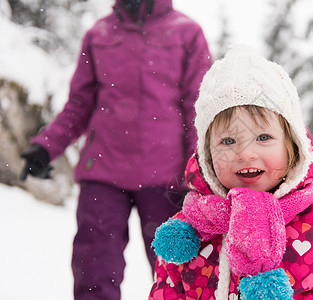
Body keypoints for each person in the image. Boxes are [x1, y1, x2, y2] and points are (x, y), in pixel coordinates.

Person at [149, 45, 313, 299]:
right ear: (207, 157)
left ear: (293, 147)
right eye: (228, 141)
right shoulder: (188, 235)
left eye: (263, 137)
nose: (245, 154)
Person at [19, 0, 211, 299]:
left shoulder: (187, 33)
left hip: (167, 178)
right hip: (104, 172)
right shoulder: (99, 34)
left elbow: (198, 110)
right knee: (93, 272)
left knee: (179, 272)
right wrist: (46, 147)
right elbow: (78, 106)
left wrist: (197, 174)